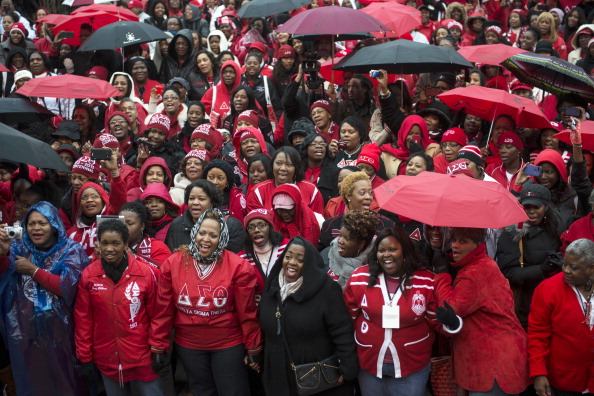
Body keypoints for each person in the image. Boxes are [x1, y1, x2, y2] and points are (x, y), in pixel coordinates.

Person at [150, 208, 263, 396]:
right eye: (202, 232)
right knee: (202, 391)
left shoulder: (239, 267)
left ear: (222, 238)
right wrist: (158, 344)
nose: (205, 239)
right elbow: (163, 310)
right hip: (189, 345)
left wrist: (253, 346)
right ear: (194, 233)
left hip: (227, 344)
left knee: (233, 392)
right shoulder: (173, 263)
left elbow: (247, 313)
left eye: (213, 235)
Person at [344, 227, 457, 396]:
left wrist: (452, 323)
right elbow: (347, 320)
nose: (386, 255)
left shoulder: (426, 281)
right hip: (370, 365)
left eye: (392, 249)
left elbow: (437, 323)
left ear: (405, 251)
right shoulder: (359, 279)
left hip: (412, 367)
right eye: (381, 250)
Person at [0, 202, 90, 395]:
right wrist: (3, 253)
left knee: (68, 381)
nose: (36, 228)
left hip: (64, 332)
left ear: (54, 225)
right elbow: (3, 276)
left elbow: (67, 287)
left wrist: (33, 270)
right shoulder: (18, 247)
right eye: (31, 224)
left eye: (42, 223)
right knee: (34, 382)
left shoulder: (70, 249)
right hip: (25, 332)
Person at [74, 219, 165, 396]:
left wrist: (158, 347)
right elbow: (83, 318)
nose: (109, 249)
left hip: (142, 356)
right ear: (97, 243)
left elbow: (157, 314)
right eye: (105, 243)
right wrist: (84, 356)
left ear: (125, 244)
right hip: (107, 357)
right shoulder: (89, 276)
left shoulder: (144, 273)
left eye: (116, 243)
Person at [434, 227, 529, 395]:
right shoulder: (479, 264)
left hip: (492, 364)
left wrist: (442, 274)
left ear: (478, 244)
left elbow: (449, 309)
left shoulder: (476, 271)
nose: (455, 245)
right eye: (454, 240)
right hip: (493, 358)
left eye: (463, 241)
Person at [258, 236, 359, 395]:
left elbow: (342, 332)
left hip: (315, 379)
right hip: (278, 376)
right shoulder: (272, 288)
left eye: (300, 259)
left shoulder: (327, 290)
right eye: (288, 256)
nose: (292, 262)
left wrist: (348, 369)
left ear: (309, 264)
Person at [528, 238, 594, 396]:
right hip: (563, 382)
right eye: (565, 263)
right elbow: (537, 334)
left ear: (591, 269)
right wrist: (539, 372)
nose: (566, 270)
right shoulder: (547, 289)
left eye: (574, 267)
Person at [496, 184, 564, 328]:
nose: (531, 212)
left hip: (553, 301)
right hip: (526, 306)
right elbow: (508, 272)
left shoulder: (557, 226)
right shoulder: (512, 233)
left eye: (536, 207)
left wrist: (561, 264)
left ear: (546, 207)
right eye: (527, 207)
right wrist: (541, 270)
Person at [165, 179, 246, 253]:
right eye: (191, 198)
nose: (195, 202)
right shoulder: (176, 225)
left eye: (201, 199)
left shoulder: (230, 226)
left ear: (212, 203)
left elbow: (233, 262)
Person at [319, 171, 394, 250]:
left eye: (370, 192)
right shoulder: (330, 225)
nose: (368, 197)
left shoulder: (386, 225)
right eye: (362, 193)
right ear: (348, 196)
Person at [246, 146, 325, 215]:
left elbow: (317, 223)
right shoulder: (257, 192)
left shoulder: (311, 190)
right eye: (279, 163)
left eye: (289, 164)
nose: (283, 168)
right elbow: (255, 226)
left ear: (296, 168)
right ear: (272, 165)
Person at [238, 208, 289, 299]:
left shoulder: (287, 247)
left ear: (270, 227)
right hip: (259, 310)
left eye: (261, 225)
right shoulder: (242, 258)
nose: (256, 230)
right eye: (251, 227)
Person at [326, 210, 378, 288]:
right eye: (340, 235)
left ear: (361, 244)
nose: (340, 241)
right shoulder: (326, 256)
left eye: (347, 239)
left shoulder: (373, 269)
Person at [119, 202, 172, 267]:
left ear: (142, 226)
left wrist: (134, 258)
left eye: (130, 224)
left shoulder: (158, 248)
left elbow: (162, 275)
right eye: (121, 223)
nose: (124, 228)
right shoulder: (111, 247)